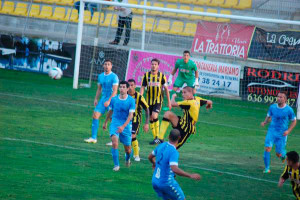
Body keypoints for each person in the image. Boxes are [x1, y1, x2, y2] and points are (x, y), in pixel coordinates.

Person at [148, 129, 201, 200]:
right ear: (179, 138)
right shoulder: (173, 152)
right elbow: (174, 169)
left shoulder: (161, 145)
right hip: (166, 183)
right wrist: (190, 175)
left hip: (155, 181)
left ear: (168, 136)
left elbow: (150, 157)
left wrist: (154, 163)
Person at [103, 81, 136, 171]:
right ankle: (116, 165)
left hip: (126, 125)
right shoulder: (114, 99)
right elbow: (110, 111)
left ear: (128, 89)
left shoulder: (131, 101)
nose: (121, 89)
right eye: (120, 87)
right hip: (115, 123)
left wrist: (123, 126)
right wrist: (105, 122)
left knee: (128, 149)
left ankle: (127, 158)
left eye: (124, 87)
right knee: (114, 143)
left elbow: (130, 116)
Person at [84, 59, 119, 144]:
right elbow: (99, 89)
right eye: (105, 64)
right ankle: (93, 138)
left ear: (111, 66)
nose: (107, 66)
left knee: (112, 119)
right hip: (103, 99)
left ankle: (114, 139)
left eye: (108, 64)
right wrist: (96, 98)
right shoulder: (100, 76)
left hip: (112, 99)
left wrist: (109, 100)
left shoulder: (114, 76)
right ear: (103, 65)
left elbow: (115, 91)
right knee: (95, 115)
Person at [261, 92, 297, 173]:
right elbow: (269, 116)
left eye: (281, 97)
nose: (279, 98)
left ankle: (283, 155)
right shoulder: (272, 107)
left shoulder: (289, 110)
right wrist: (265, 122)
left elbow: (294, 121)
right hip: (272, 131)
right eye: (278, 97)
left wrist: (288, 131)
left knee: (278, 153)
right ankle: (267, 168)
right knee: (267, 148)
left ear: (285, 99)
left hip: (282, 134)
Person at [140, 58, 172, 145]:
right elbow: (142, 87)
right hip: (148, 101)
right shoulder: (146, 75)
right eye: (152, 64)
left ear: (158, 66)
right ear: (150, 65)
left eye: (155, 64)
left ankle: (159, 137)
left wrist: (169, 102)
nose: (153, 66)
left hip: (158, 100)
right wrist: (140, 97)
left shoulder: (162, 76)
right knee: (151, 118)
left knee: (154, 115)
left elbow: (166, 89)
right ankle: (156, 138)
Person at [128, 79, 150, 161]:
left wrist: (146, 123)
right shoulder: (124, 95)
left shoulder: (139, 97)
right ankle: (134, 148)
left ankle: (136, 154)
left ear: (135, 86)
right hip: (126, 120)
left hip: (135, 120)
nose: (130, 87)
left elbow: (147, 109)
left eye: (132, 85)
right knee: (127, 137)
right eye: (128, 85)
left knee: (132, 136)